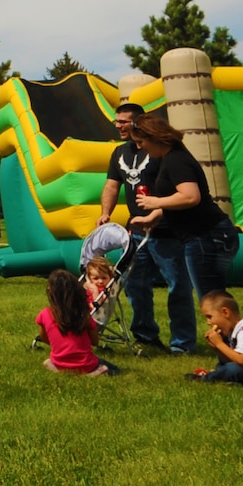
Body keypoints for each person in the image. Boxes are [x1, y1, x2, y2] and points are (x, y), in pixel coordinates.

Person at [132, 114, 243, 353]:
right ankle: (237, 350)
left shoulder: (176, 161)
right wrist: (154, 215)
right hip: (211, 236)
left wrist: (155, 201)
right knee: (218, 299)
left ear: (153, 137)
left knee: (213, 302)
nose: (139, 148)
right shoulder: (173, 158)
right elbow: (181, 198)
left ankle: (234, 353)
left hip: (206, 237)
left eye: (141, 142)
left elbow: (191, 196)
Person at [95, 103, 168, 349]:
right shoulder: (119, 153)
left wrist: (158, 212)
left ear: (138, 122)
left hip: (167, 229)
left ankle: (182, 344)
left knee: (177, 286)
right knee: (135, 285)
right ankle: (146, 336)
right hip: (136, 231)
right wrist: (106, 213)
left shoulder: (158, 150)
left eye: (123, 122)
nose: (117, 126)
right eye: (117, 121)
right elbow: (112, 185)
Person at [36, 268, 119, 376]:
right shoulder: (83, 315)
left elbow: (44, 338)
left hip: (58, 362)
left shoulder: (45, 314)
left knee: (50, 361)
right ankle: (93, 372)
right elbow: (95, 342)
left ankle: (59, 368)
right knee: (115, 369)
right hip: (86, 364)